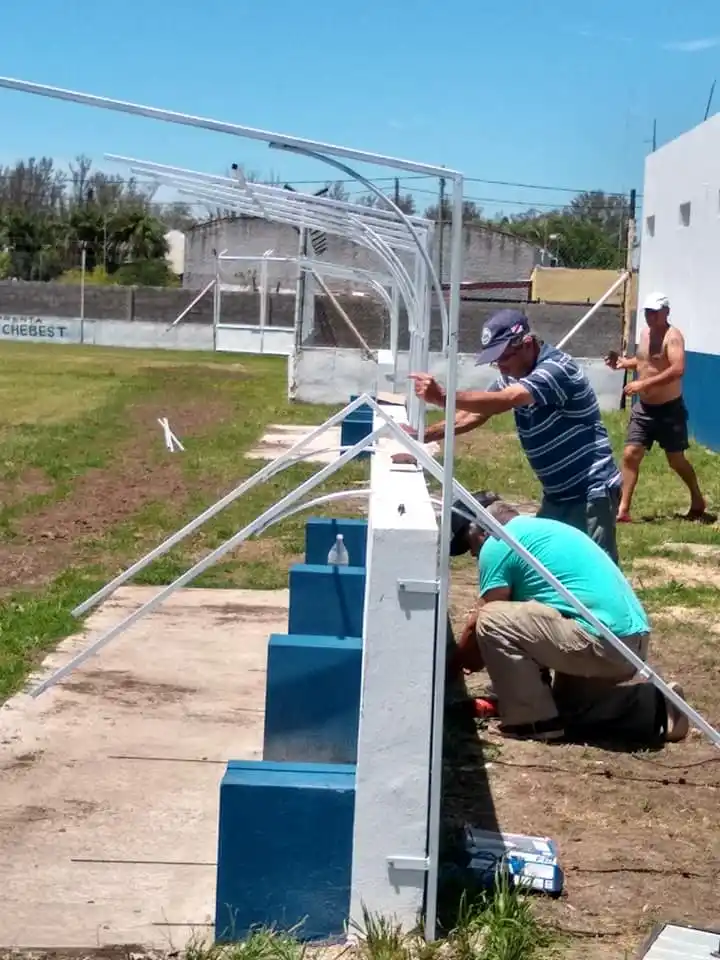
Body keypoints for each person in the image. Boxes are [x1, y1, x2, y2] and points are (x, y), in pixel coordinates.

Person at [447, 492, 689, 745]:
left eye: (469, 545)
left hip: (600, 641)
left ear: (479, 530)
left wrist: (451, 668)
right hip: (629, 642)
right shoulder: (546, 529)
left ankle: (533, 722)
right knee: (565, 708)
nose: (473, 555)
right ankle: (657, 706)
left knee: (492, 618)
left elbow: (481, 624)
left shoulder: (499, 541)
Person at [409, 309, 622, 564]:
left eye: (504, 357)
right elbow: (474, 414)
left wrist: (442, 397)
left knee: (595, 570)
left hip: (589, 492)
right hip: (558, 494)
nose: (500, 366)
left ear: (527, 344)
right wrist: (422, 435)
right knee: (548, 568)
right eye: (495, 360)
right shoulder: (514, 374)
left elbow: (506, 400)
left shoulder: (556, 369)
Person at [605, 291, 709, 523]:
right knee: (631, 454)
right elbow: (645, 361)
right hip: (644, 408)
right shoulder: (645, 333)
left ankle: (697, 499)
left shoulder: (673, 337)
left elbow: (677, 369)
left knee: (676, 460)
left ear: (666, 313)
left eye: (654, 312)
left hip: (669, 409)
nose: (649, 316)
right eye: (647, 312)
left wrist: (643, 383)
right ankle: (622, 510)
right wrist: (623, 363)